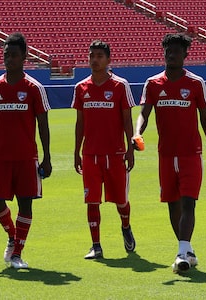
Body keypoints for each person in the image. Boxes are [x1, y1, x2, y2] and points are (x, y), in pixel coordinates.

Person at [133, 33, 206, 273]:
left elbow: (205, 118)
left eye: (176, 52)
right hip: (166, 155)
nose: (171, 55)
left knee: (188, 203)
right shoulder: (153, 83)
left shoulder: (195, 83)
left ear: (185, 55)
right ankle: (186, 250)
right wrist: (136, 132)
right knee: (172, 205)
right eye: (167, 51)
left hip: (191, 153)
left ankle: (181, 253)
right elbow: (144, 113)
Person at [0, 32, 52, 269]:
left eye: (13, 55)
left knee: (26, 204)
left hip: (26, 157)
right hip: (0, 157)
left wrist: (47, 157)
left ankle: (17, 254)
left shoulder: (34, 88)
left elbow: (43, 124)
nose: (8, 59)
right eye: (6, 55)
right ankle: (12, 236)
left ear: (24, 57)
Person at [72, 40, 136, 259]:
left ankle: (126, 227)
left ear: (109, 60)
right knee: (92, 200)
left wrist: (130, 148)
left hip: (116, 153)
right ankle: (96, 245)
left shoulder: (120, 86)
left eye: (99, 56)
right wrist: (76, 152)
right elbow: (79, 123)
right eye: (92, 56)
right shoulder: (81, 87)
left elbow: (127, 119)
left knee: (121, 200)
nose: (95, 60)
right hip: (90, 154)